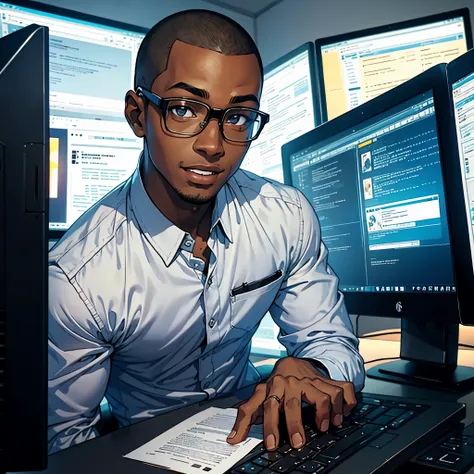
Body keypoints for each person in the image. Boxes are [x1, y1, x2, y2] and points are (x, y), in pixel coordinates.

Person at [48, 9, 364, 455]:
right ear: (138, 115)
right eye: (183, 109)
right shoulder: (77, 278)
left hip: (264, 436)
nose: (213, 146)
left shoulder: (285, 216)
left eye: (237, 117)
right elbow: (65, 448)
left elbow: (332, 341)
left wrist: (309, 367)